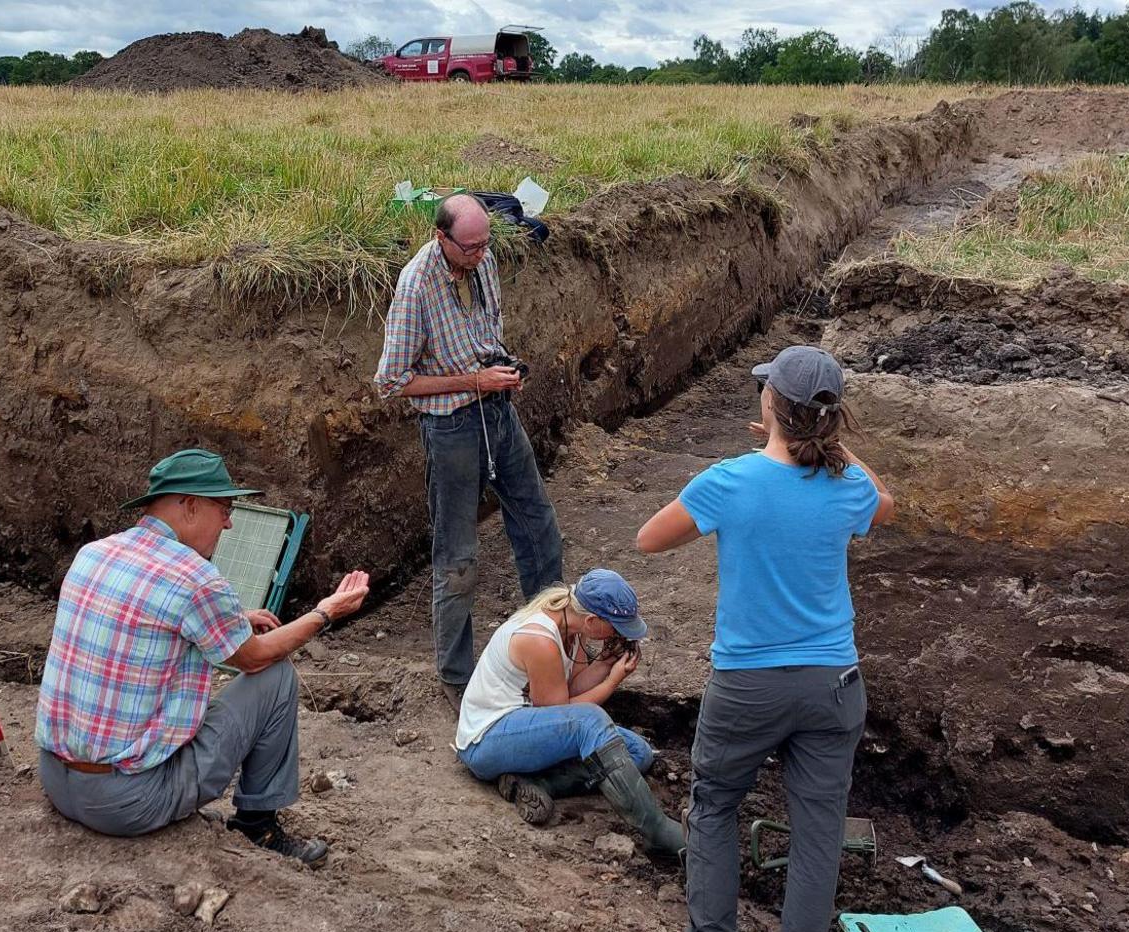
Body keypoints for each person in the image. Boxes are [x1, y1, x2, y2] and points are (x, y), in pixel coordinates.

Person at [635, 345, 897, 932]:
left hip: (748, 684)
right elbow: (883, 502)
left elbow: (649, 538)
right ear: (830, 420)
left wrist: (753, 467)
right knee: (818, 831)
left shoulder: (730, 481)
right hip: (832, 684)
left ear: (770, 406)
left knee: (717, 806)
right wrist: (832, 448)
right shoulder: (848, 489)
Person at [36, 448, 371, 865]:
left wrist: (234, 618)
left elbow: (149, 617)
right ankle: (258, 826)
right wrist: (324, 612)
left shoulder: (96, 553)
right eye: (225, 508)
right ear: (191, 506)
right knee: (276, 676)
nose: (230, 522)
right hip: (126, 804)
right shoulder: (194, 579)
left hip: (57, 781)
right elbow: (253, 658)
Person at [373, 193, 564, 713]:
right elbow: (392, 382)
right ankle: (456, 677)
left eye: (485, 245)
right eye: (471, 248)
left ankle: (548, 642)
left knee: (538, 525)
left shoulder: (484, 259)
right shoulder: (416, 287)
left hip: (498, 414)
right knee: (458, 557)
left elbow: (487, 334)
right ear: (442, 239)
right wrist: (471, 381)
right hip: (451, 429)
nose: (481, 254)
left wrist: (501, 371)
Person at [453, 570, 684, 858]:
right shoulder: (540, 640)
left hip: (526, 726)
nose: (620, 634)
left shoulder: (569, 628)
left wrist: (604, 664)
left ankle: (536, 783)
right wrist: (612, 682)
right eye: (616, 627)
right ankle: (657, 830)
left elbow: (570, 688)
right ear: (591, 621)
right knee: (590, 720)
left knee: (638, 753)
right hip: (487, 740)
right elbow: (563, 710)